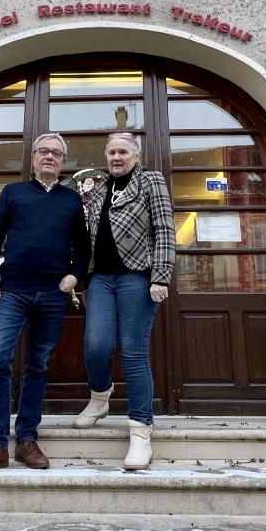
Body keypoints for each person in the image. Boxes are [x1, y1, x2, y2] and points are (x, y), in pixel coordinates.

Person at [0, 132, 91, 476]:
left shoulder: (71, 201)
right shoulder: (12, 193)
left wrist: (75, 276)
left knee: (38, 366)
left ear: (63, 162)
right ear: (32, 158)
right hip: (13, 291)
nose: (49, 157)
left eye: (56, 153)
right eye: (43, 151)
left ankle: (27, 440)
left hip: (52, 295)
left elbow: (84, 248)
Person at [74, 132, 174, 470]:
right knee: (96, 345)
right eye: (111, 152)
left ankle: (140, 432)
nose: (116, 157)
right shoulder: (99, 189)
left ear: (135, 155)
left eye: (123, 152)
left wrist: (160, 275)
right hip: (100, 278)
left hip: (137, 276)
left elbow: (164, 228)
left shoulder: (150, 181)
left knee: (133, 352)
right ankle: (100, 399)